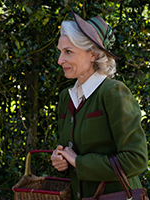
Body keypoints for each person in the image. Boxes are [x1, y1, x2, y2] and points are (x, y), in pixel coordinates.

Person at [50, 11, 148, 199]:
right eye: (60, 52)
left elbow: (137, 160)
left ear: (93, 55)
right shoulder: (66, 97)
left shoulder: (113, 93)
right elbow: (70, 151)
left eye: (68, 52)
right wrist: (61, 160)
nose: (59, 60)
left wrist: (79, 162)